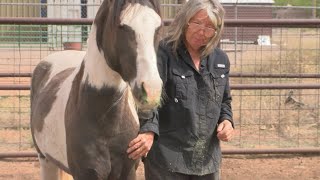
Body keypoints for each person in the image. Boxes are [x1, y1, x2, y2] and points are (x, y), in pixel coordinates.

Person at [127, 0, 234, 179]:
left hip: (206, 159)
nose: (202, 32)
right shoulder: (162, 53)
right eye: (197, 23)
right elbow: (150, 98)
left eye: (209, 27)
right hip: (168, 157)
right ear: (185, 21)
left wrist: (227, 120)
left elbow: (224, 100)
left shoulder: (220, 59)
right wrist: (148, 130)